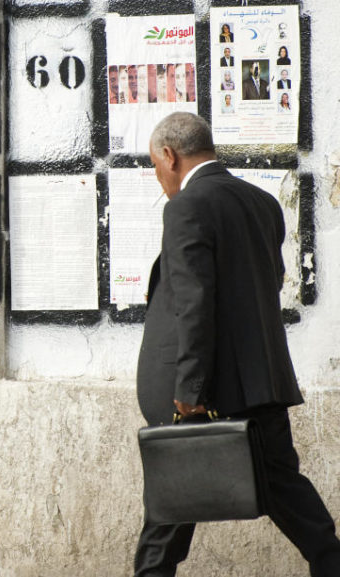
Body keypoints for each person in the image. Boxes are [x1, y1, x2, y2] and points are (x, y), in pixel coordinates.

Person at [134, 111, 340, 577]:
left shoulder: (185, 207)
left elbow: (194, 302)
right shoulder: (261, 202)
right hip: (260, 385)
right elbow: (268, 284)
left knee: (170, 507)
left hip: (207, 393)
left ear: (169, 155)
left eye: (155, 165)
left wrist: (189, 389)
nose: (158, 177)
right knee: (287, 493)